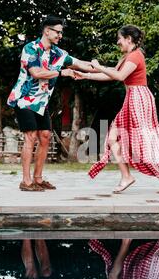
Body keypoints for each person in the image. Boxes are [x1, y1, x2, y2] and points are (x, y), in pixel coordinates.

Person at [73, 25, 159, 194]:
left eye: (120, 39)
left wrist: (98, 66)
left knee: (146, 139)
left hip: (139, 98)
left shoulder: (136, 56)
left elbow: (120, 77)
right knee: (112, 138)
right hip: (132, 98)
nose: (118, 42)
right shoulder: (127, 57)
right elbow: (112, 73)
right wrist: (86, 75)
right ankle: (126, 176)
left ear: (128, 39)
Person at [7, 16, 95, 191]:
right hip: (24, 100)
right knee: (30, 136)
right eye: (57, 32)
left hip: (41, 104)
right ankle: (26, 181)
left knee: (45, 137)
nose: (60, 35)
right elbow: (37, 72)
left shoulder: (59, 54)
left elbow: (79, 63)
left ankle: (38, 179)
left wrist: (101, 67)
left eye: (61, 32)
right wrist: (63, 73)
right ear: (47, 31)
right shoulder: (30, 48)